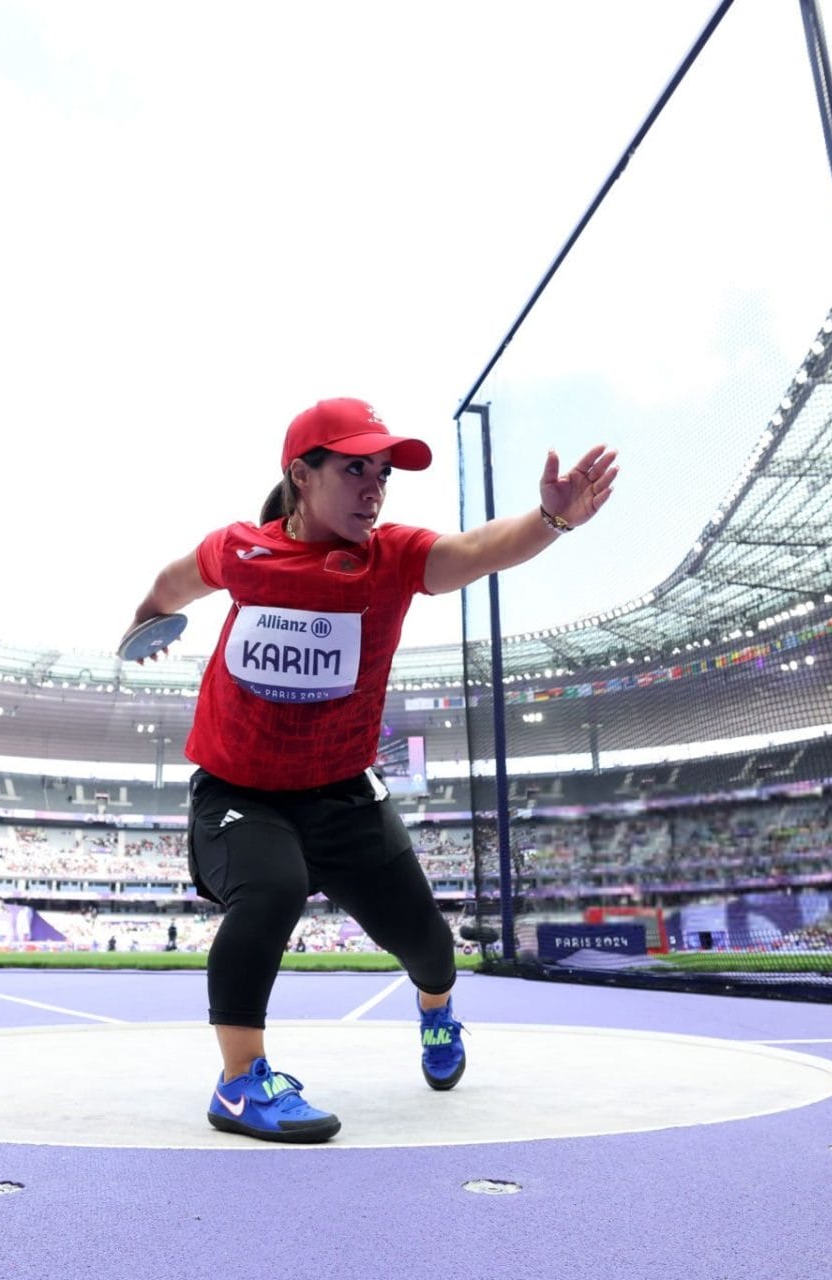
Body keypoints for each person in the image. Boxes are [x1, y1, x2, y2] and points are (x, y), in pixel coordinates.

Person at [124, 396, 617, 1144]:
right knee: (271, 889)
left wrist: (551, 521)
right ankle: (239, 1084)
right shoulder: (241, 551)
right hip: (239, 793)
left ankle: (437, 1014)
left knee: (429, 946)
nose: (374, 488)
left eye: (382, 474)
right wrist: (146, 619)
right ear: (301, 474)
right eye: (355, 469)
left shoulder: (391, 558)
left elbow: (480, 549)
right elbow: (175, 580)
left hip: (345, 798)